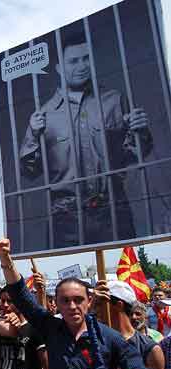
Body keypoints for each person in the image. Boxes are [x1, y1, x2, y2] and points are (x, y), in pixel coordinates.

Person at [19, 34, 152, 246]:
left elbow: (133, 155)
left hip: (113, 211)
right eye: (73, 61)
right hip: (66, 218)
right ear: (59, 67)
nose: (82, 66)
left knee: (126, 263)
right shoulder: (43, 115)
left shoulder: (114, 100)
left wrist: (140, 132)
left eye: (86, 58)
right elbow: (29, 172)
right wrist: (33, 136)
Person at [0, 238, 161, 369]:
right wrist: (5, 258)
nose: (72, 306)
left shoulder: (110, 337)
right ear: (56, 303)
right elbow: (20, 294)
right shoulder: (51, 328)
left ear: (89, 301)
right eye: (65, 301)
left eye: (78, 300)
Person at [92, 280, 165, 369]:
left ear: (118, 305)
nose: (94, 309)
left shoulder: (150, 349)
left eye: (99, 304)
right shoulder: (93, 341)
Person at [0, 289, 48, 369]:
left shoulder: (34, 328)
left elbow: (46, 364)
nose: (5, 305)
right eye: (3, 300)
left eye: (10, 301)